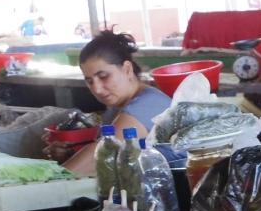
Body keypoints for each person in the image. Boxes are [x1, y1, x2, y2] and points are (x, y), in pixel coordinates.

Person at [46, 31, 171, 174]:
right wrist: (70, 155)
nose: (97, 89)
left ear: (127, 69)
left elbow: (100, 156)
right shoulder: (116, 108)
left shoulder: (148, 105)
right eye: (90, 81)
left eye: (103, 76)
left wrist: (53, 180)